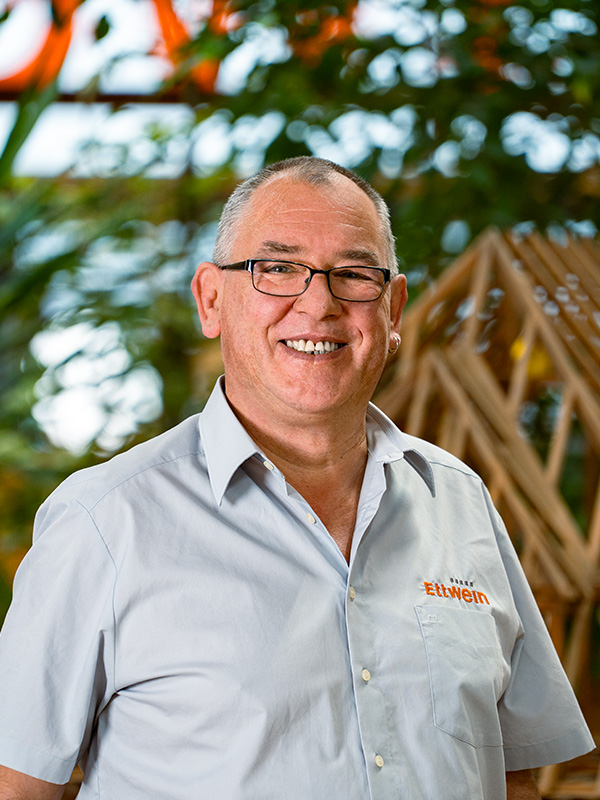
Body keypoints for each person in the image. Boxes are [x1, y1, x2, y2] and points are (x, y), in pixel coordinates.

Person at [0, 156, 594, 800]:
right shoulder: (105, 522)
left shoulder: (458, 499)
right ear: (211, 299)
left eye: (354, 275)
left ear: (393, 309)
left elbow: (515, 778)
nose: (319, 304)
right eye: (278, 269)